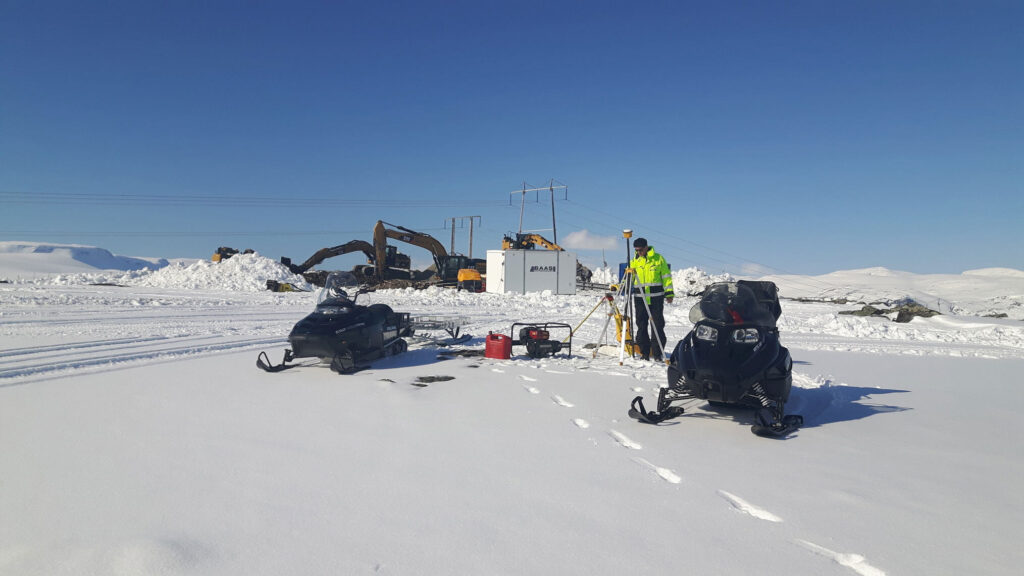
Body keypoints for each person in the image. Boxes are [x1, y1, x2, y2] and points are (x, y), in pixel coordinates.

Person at [627, 237, 674, 361]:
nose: (639, 253)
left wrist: (669, 293)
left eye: (641, 250)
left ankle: (657, 353)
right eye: (636, 250)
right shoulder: (634, 261)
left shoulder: (658, 259)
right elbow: (629, 280)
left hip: (656, 299)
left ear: (646, 247)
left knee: (657, 325)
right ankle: (645, 353)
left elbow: (666, 277)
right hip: (640, 299)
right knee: (641, 326)